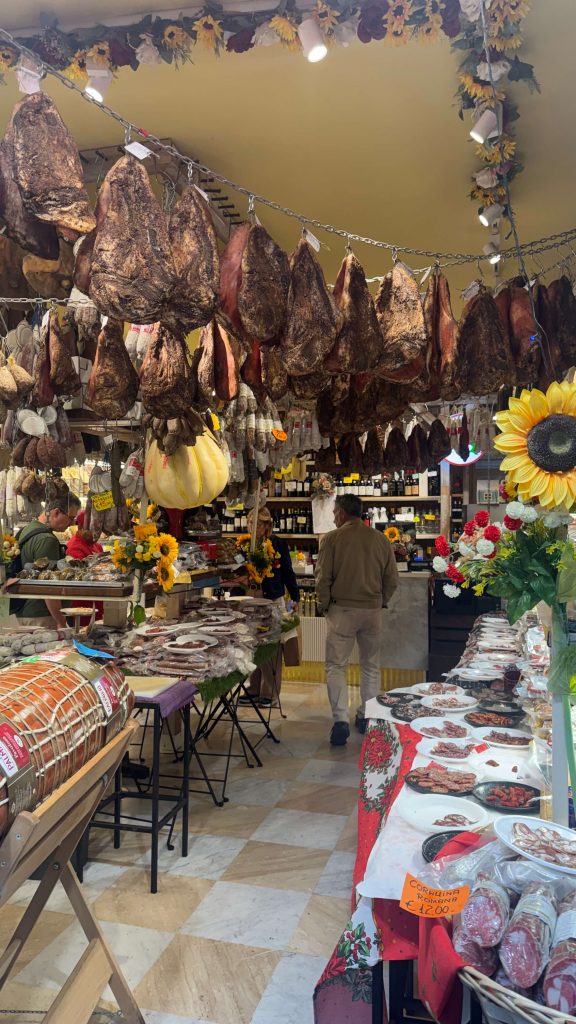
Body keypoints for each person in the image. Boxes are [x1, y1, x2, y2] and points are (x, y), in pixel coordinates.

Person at [315, 493, 398, 746]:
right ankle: (367, 716)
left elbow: (322, 579)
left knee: (336, 666)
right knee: (370, 665)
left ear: (340, 513)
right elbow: (392, 579)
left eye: (334, 513)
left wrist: (324, 605)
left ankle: (340, 720)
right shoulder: (380, 539)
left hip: (342, 610)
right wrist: (380, 600)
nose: (333, 517)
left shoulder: (331, 539)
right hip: (371, 610)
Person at [239, 506, 300, 707]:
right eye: (249, 522)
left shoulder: (277, 544)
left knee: (271, 645)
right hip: (249, 598)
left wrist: (296, 596)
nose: (251, 526)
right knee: (253, 645)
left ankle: (270, 693)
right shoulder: (244, 544)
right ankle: (254, 688)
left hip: (272, 598)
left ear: (266, 525)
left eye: (256, 523)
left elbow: (288, 573)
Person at [15, 495, 81, 629]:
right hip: (43, 615)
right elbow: (48, 586)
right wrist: (61, 622)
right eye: (71, 517)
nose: (72, 523)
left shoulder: (28, 529)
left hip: (27, 610)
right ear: (56, 512)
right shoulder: (47, 540)